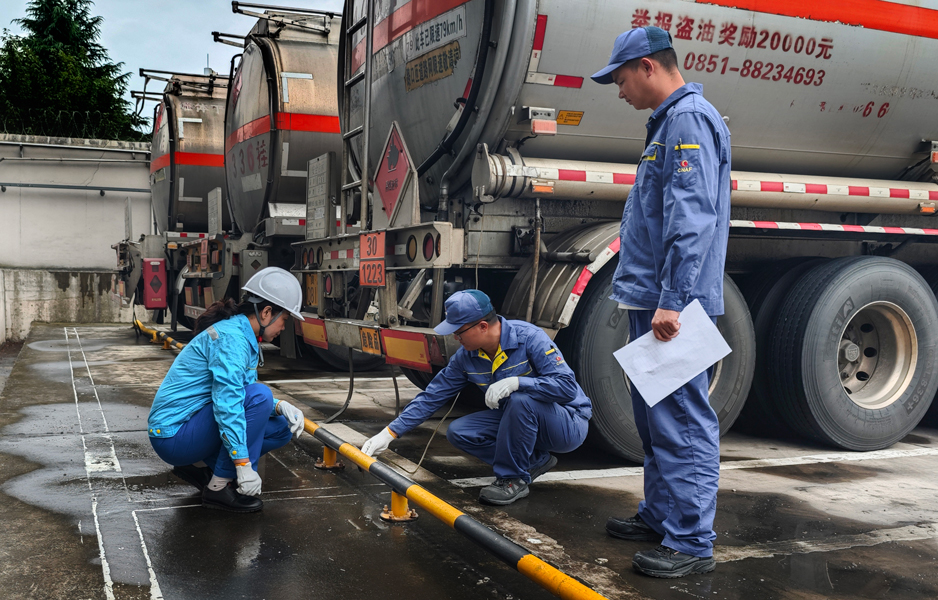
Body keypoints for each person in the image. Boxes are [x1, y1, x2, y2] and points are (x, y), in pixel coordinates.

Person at [591, 25, 731, 578]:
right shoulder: (669, 123)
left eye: (621, 79)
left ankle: (692, 541)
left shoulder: (688, 120)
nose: (619, 91)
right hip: (654, 298)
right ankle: (662, 515)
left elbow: (690, 220)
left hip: (673, 303)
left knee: (681, 420)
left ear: (648, 66)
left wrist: (673, 298)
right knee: (653, 417)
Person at [360, 290, 591, 505]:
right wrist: (389, 433)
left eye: (458, 332)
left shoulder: (530, 338)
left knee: (522, 400)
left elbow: (567, 388)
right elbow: (432, 396)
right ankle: (533, 462)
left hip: (566, 423)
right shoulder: (466, 357)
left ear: (482, 326)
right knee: (461, 432)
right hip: (521, 421)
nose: (455, 338)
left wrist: (519, 382)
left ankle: (513, 480)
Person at [147, 267, 307, 513]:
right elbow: (229, 403)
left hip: (189, 425)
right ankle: (219, 487)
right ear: (266, 313)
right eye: (284, 320)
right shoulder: (232, 339)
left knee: (281, 429)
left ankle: (209, 470)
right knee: (260, 396)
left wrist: (278, 406)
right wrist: (244, 465)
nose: (284, 327)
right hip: (173, 436)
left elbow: (240, 392)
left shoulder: (240, 334)